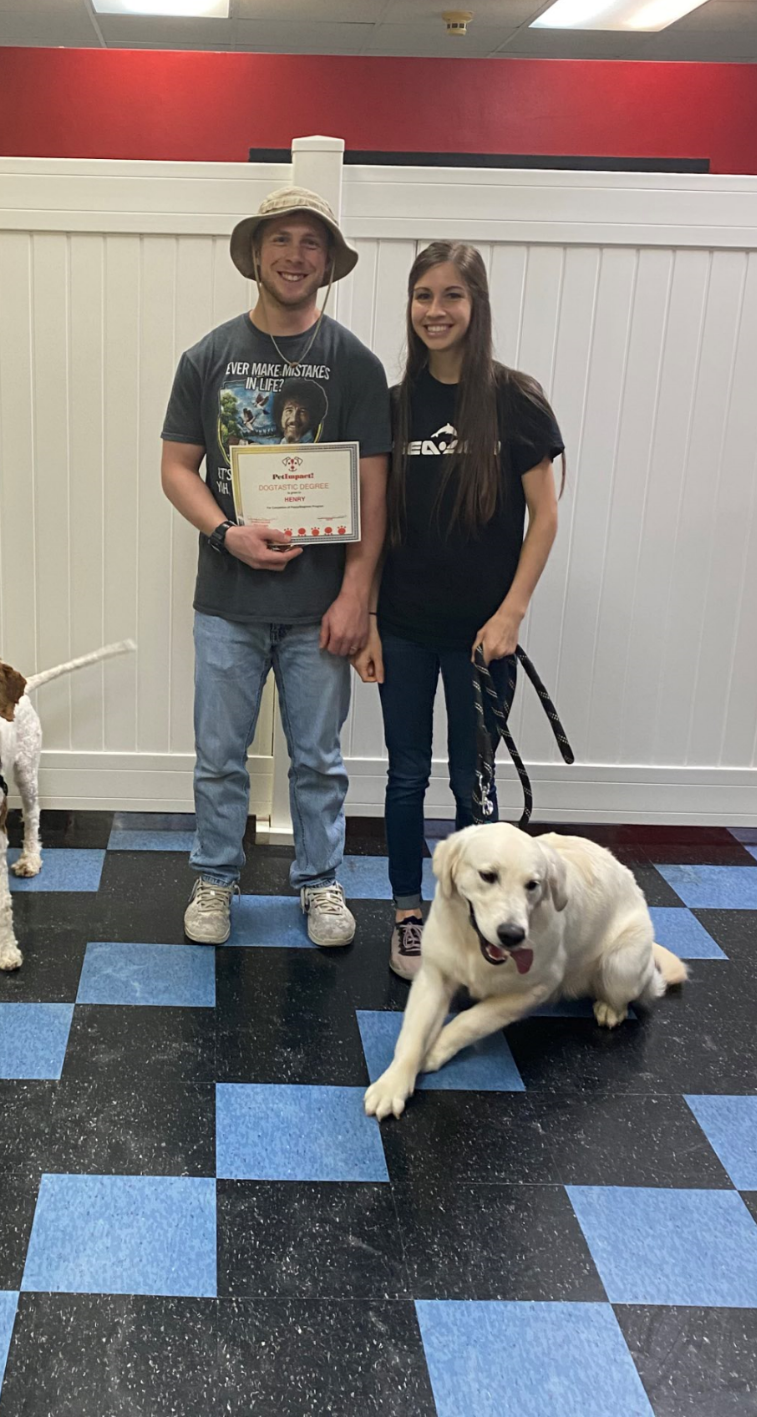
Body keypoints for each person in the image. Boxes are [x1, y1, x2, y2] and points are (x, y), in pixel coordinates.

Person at [161, 186, 392, 947]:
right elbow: (177, 468)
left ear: (329, 263)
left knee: (319, 761)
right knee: (219, 756)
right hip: (226, 598)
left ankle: (321, 882)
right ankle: (216, 879)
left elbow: (371, 492)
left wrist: (358, 595)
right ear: (255, 253)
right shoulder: (209, 355)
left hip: (319, 604)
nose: (295, 256)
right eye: (282, 240)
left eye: (312, 243)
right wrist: (227, 532)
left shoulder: (353, 363)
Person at [353, 241, 564, 979]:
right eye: (423, 296)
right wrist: (373, 620)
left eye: (451, 296)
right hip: (405, 629)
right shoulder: (393, 404)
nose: (436, 311)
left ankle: (479, 917)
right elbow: (373, 520)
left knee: (473, 784)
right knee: (407, 775)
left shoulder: (517, 400)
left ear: (476, 306)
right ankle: (410, 914)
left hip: (484, 638)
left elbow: (545, 516)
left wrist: (511, 613)